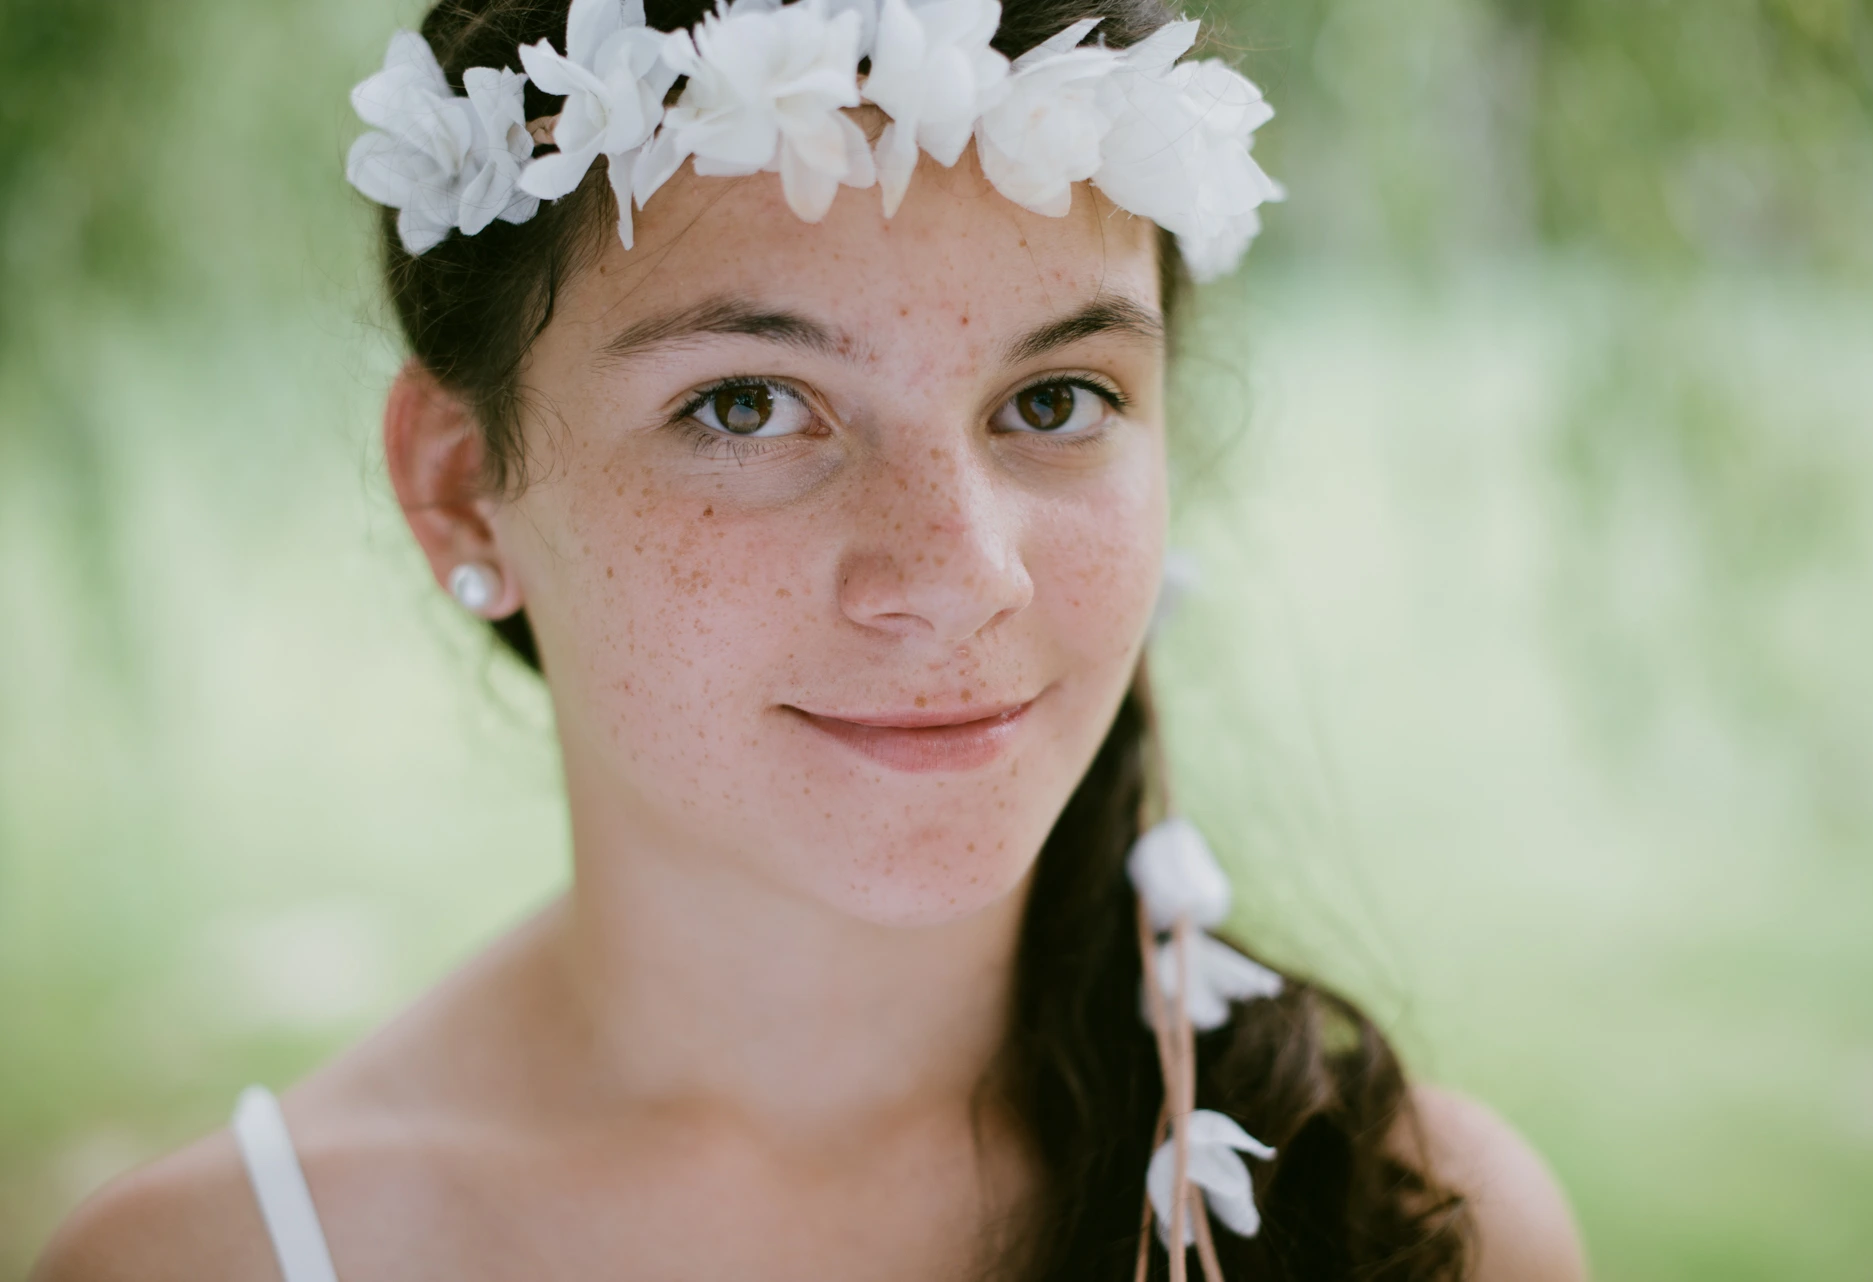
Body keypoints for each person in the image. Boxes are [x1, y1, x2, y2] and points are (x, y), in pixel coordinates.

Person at [33, 0, 1585, 1277]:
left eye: (1056, 400)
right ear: (463, 488)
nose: (959, 572)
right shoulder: (220, 1258)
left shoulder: (1422, 1227)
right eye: (747, 404)